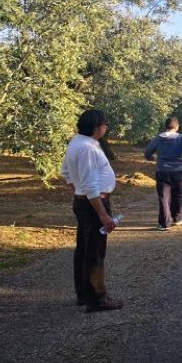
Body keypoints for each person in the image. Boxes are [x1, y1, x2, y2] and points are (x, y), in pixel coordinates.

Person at [60, 109, 123, 313]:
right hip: (94, 203)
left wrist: (78, 191)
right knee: (94, 251)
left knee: (84, 249)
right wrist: (103, 214)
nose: (106, 127)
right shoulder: (87, 148)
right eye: (105, 124)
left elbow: (66, 172)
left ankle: (83, 293)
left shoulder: (77, 142)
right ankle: (96, 299)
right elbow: (90, 183)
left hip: (84, 201)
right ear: (97, 127)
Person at [144, 117, 182, 231]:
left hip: (162, 171)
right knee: (178, 195)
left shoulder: (158, 138)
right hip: (179, 171)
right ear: (177, 127)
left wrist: (151, 158)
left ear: (165, 126)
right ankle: (178, 218)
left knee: (164, 197)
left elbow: (147, 152)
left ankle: (164, 223)